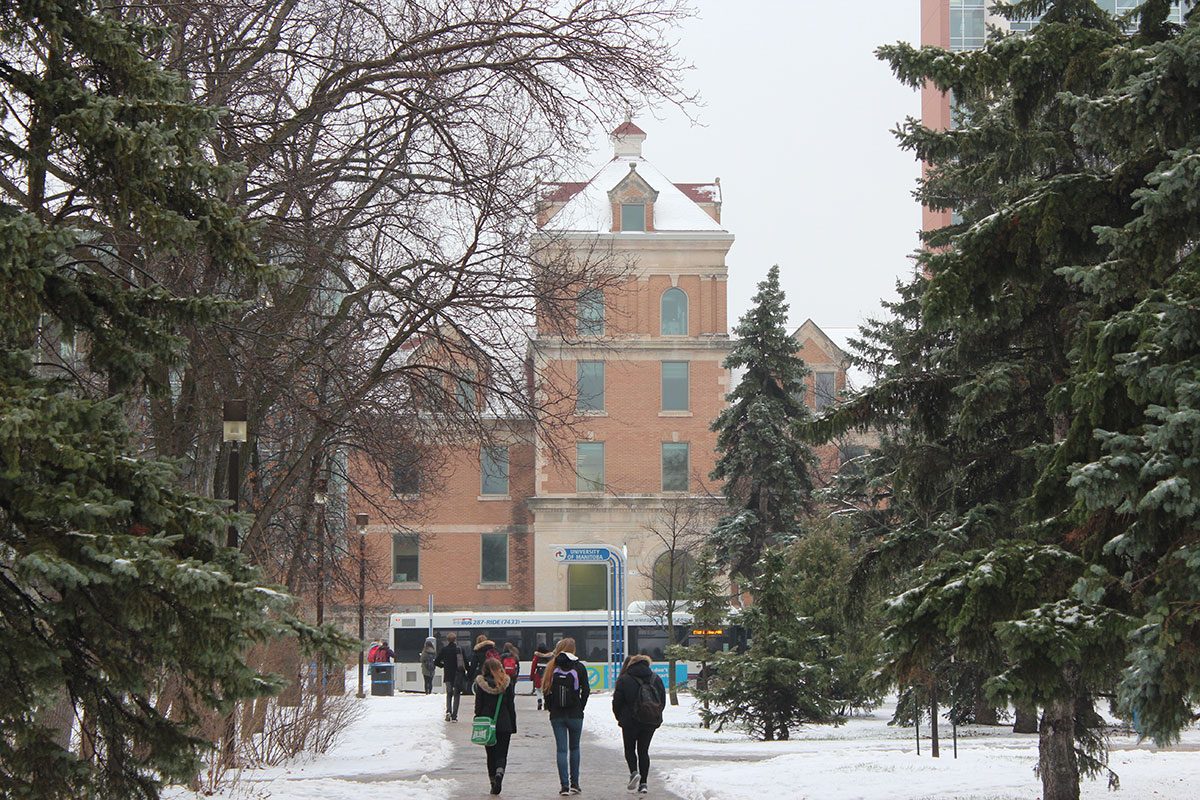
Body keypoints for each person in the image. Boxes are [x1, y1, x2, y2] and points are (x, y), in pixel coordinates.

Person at [541, 637, 589, 796]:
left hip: (557, 715)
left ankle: (564, 786)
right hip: (575, 715)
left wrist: (551, 708)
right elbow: (586, 690)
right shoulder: (580, 667)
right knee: (575, 748)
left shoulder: (551, 666)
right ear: (573, 650)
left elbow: (546, 690)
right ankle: (575, 783)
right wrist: (580, 707)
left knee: (561, 750)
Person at [612, 654, 666, 794]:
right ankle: (644, 784)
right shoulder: (656, 678)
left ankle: (634, 772)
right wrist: (654, 714)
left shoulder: (624, 679)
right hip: (649, 721)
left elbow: (617, 702)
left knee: (630, 749)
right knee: (643, 751)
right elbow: (662, 700)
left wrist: (620, 718)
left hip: (630, 721)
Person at [473, 657, 517, 795]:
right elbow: (511, 706)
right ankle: (500, 773)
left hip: (487, 723)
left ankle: (493, 782)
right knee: (502, 754)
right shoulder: (506, 683)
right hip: (504, 724)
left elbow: (478, 707)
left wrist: (478, 717)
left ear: (485, 669)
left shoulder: (481, 684)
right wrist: (513, 725)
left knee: (490, 754)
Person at [434, 632, 469, 721]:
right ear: (455, 639)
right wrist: (468, 672)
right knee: (457, 695)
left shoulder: (444, 650)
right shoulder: (460, 649)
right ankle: (454, 716)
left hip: (448, 675)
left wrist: (443, 665)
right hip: (458, 675)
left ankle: (448, 711)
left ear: (447, 640)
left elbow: (436, 662)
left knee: (449, 694)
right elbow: (465, 662)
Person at [530, 642, 551, 709]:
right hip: (547, 676)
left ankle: (539, 701)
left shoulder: (537, 656)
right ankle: (546, 703)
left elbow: (533, 667)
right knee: (546, 690)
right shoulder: (550, 656)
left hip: (538, 675)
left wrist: (532, 676)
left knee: (538, 690)